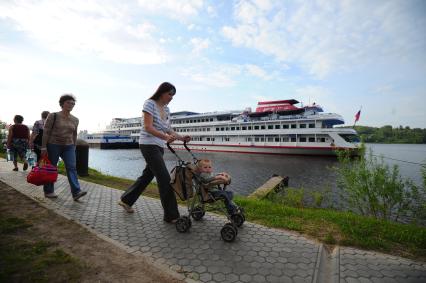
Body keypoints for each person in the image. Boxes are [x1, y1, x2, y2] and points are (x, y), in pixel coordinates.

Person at [119, 82, 190, 223]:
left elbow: (168, 129)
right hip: (148, 144)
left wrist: (182, 138)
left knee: (147, 176)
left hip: (159, 146)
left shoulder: (167, 110)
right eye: (169, 94)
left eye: (173, 95)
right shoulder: (150, 104)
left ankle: (126, 200)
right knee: (165, 179)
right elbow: (148, 127)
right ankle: (171, 215)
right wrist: (165, 137)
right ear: (161, 92)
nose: (171, 97)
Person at [41, 94, 87, 200]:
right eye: (68, 102)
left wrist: (74, 146)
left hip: (69, 146)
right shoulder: (53, 115)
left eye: (73, 103)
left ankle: (76, 192)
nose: (71, 105)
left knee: (72, 167)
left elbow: (74, 134)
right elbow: (46, 132)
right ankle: (49, 191)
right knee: (51, 167)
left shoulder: (75, 119)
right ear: (62, 103)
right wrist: (44, 147)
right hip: (53, 144)